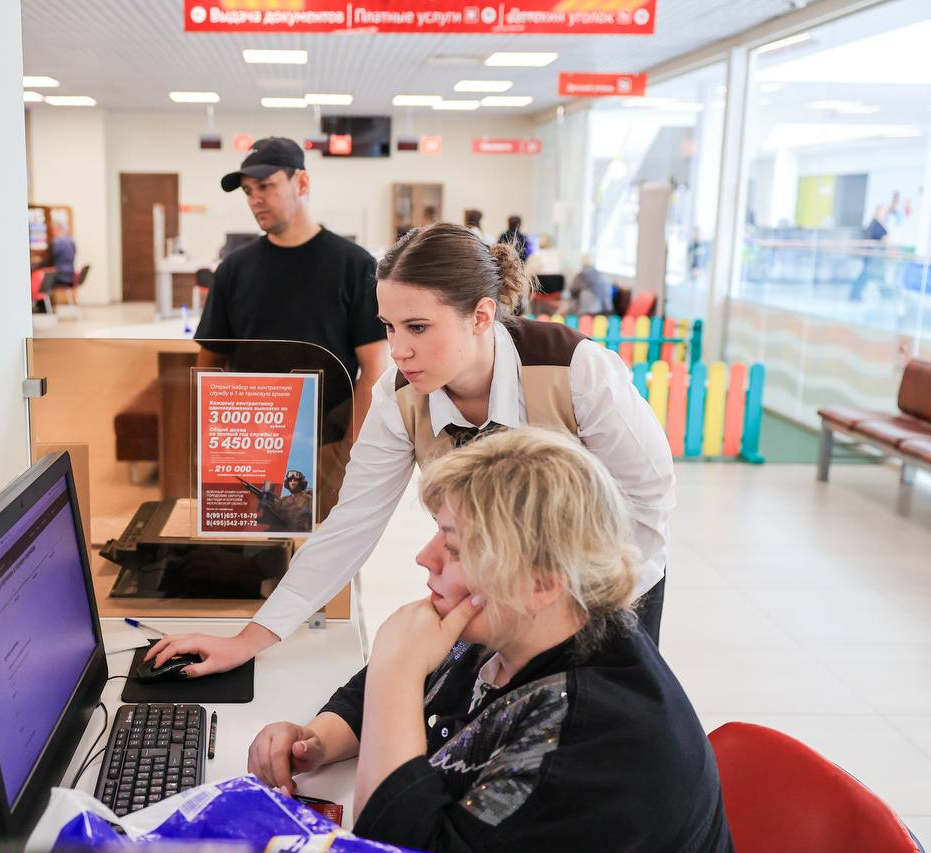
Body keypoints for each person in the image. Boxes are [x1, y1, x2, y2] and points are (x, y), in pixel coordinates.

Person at [149, 222, 673, 678]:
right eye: (389, 327)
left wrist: (568, 609)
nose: (398, 350)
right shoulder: (399, 398)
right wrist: (250, 639)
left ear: (481, 316)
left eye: (418, 327)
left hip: (606, 592)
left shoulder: (575, 370)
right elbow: (351, 525)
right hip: (490, 592)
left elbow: (648, 504)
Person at [247, 429, 731, 852]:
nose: (425, 557)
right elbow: (408, 688)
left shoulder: (592, 742)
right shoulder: (519, 624)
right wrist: (319, 739)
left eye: (455, 547)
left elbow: (395, 846)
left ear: (542, 582)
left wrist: (397, 671)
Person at [196, 137, 389, 441]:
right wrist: (214, 438)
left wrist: (355, 449)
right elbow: (210, 361)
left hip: (327, 440)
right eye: (248, 191)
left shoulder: (354, 265)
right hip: (249, 440)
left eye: (265, 186)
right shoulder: (233, 268)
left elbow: (374, 367)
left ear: (301, 182)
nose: (255, 199)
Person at [849, 205, 889, 302]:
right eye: (882, 212)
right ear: (878, 212)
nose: (884, 214)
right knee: (866, 275)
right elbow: (882, 239)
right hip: (872, 256)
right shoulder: (876, 225)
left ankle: (884, 295)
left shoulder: (877, 224)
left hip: (875, 256)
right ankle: (854, 294)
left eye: (885, 213)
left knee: (878, 276)